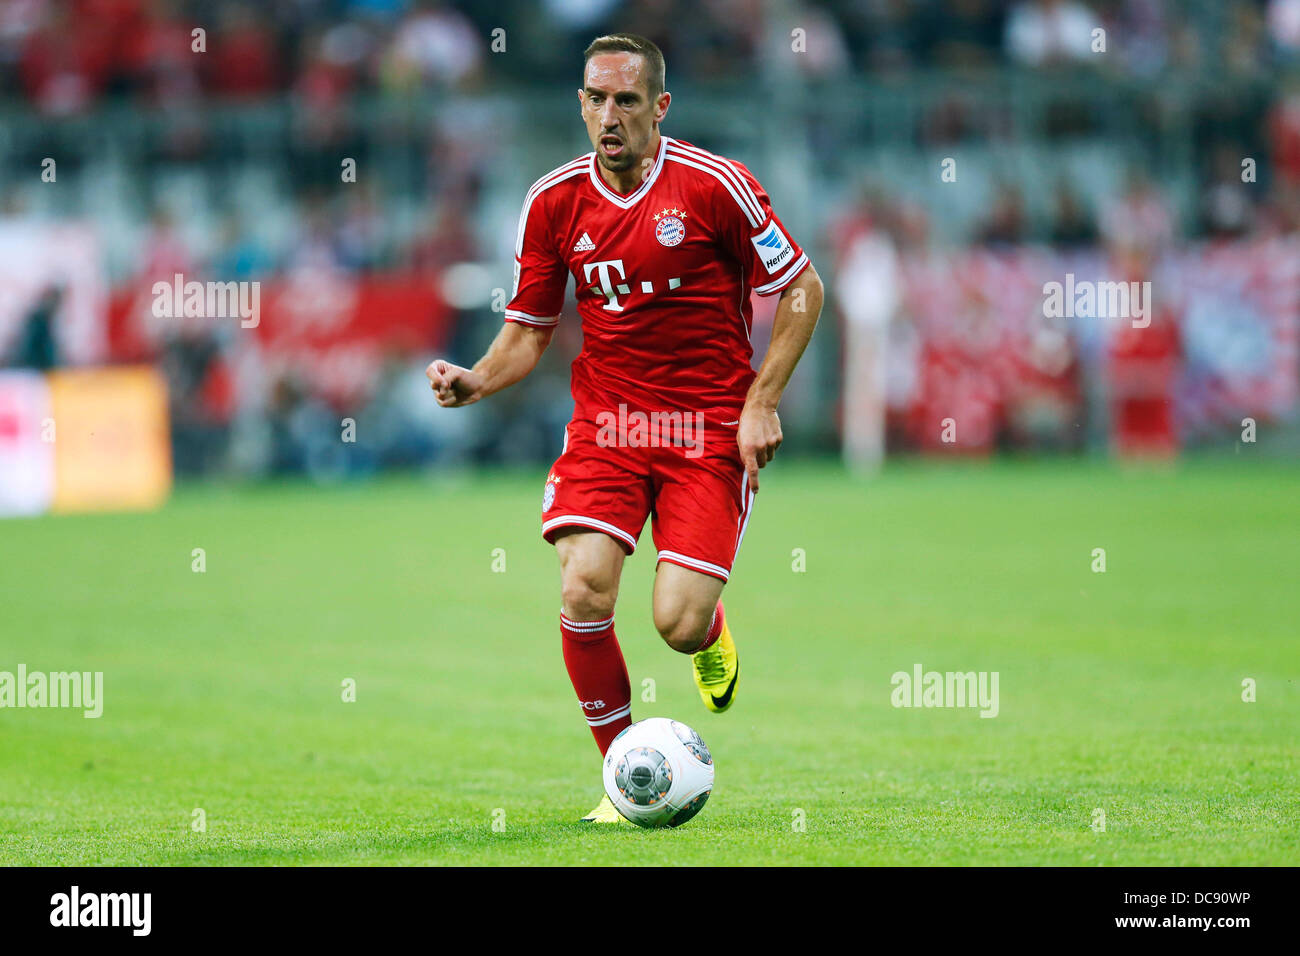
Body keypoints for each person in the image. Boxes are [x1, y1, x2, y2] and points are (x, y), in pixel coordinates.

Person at [425, 33, 823, 822]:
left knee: (674, 624)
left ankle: (708, 632)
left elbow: (803, 288)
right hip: (608, 426)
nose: (609, 115)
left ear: (659, 107)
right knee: (583, 586)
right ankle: (626, 775)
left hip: (706, 428)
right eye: (596, 99)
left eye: (627, 100)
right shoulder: (551, 201)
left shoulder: (717, 186)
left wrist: (762, 401)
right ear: (580, 103)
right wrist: (477, 378)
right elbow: (530, 328)